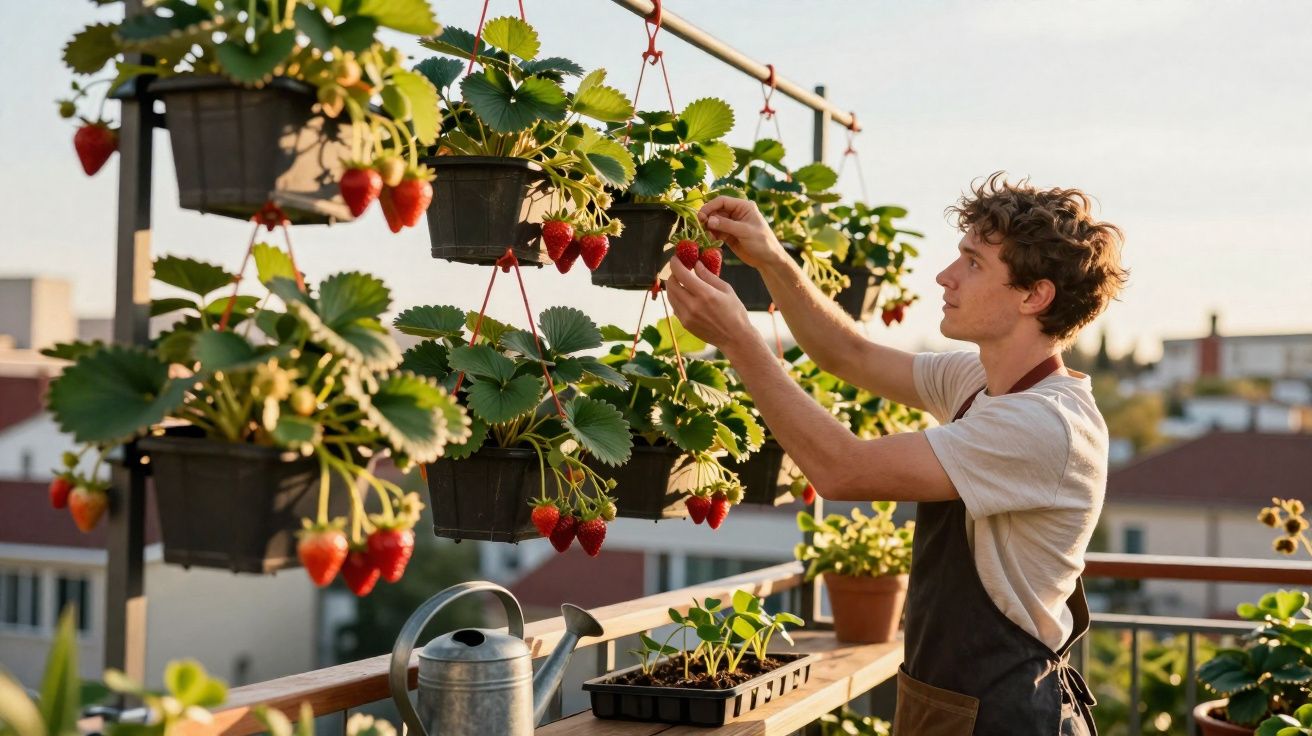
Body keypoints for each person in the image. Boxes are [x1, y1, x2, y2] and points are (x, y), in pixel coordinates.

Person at [663, 172, 1128, 736]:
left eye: (973, 262)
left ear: (1035, 296)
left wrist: (740, 341)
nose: (945, 276)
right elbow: (848, 354)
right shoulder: (981, 382)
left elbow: (842, 470)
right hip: (951, 697)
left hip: (1004, 714)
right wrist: (772, 260)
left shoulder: (1042, 423)